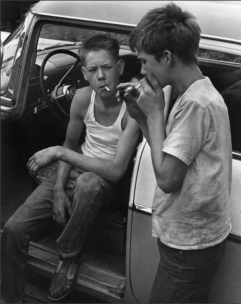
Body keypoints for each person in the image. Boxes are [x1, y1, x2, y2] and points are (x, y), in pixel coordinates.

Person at [1, 34, 140, 303]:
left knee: (88, 183)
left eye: (107, 68)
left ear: (119, 68)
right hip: (76, 171)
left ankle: (69, 255)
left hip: (106, 185)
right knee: (13, 230)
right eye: (93, 70)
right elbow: (70, 143)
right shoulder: (83, 99)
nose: (101, 76)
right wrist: (57, 192)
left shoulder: (132, 108)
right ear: (85, 74)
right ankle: (11, 298)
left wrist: (60, 153)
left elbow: (115, 171)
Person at [117, 3, 232, 303]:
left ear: (166, 57)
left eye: (144, 61)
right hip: (189, 241)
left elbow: (167, 178)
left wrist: (155, 114)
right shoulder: (191, 93)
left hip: (189, 247)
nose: (141, 71)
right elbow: (167, 152)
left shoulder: (196, 104)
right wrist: (142, 118)